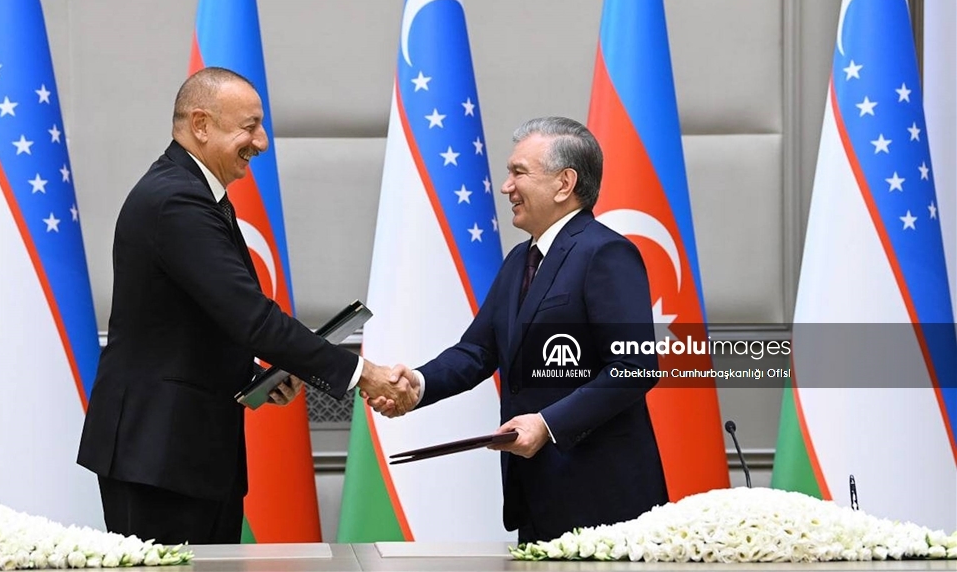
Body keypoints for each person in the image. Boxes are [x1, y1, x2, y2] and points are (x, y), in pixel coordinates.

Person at [77, 67, 416, 545]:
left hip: (186, 453)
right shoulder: (176, 200)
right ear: (201, 124)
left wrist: (255, 378)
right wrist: (363, 374)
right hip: (158, 456)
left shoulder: (196, 194)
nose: (262, 142)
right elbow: (251, 317)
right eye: (250, 126)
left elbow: (196, 323)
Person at [370, 116, 669, 543]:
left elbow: (634, 368)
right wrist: (416, 383)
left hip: (602, 498)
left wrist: (547, 424)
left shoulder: (606, 253)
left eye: (518, 172)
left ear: (564, 183)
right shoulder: (519, 260)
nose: (506, 186)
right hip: (536, 494)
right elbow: (477, 351)